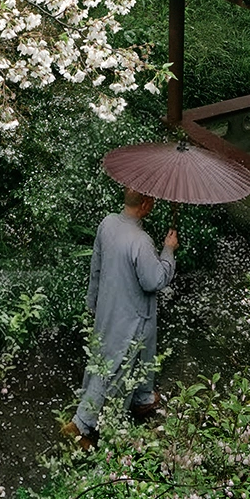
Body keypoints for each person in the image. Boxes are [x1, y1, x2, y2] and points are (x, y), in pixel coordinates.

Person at [62, 188, 179, 449]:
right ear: (146, 204)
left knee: (136, 355)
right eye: (152, 200)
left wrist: (93, 302)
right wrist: (168, 251)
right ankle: (81, 424)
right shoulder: (140, 240)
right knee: (115, 365)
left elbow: (97, 265)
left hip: (109, 307)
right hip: (132, 314)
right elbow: (154, 280)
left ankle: (143, 397)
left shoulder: (108, 224)